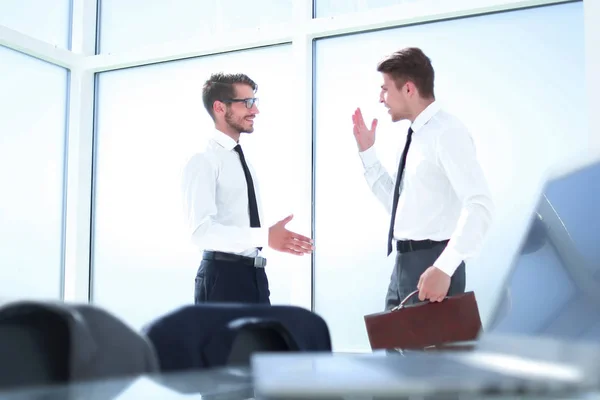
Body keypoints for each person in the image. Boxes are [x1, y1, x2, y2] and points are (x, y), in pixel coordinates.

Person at [352, 47, 494, 310]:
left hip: (433, 264)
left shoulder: (447, 133)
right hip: (403, 266)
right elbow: (399, 206)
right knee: (395, 349)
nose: (380, 98)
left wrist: (444, 267)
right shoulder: (414, 137)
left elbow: (480, 206)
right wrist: (368, 153)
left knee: (429, 352)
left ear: (408, 89)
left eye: (385, 89)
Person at [182, 72, 313, 304]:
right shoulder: (204, 160)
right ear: (220, 108)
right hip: (223, 280)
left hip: (254, 277)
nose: (255, 111)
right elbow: (200, 232)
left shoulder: (241, 160)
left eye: (255, 102)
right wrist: (264, 236)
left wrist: (265, 239)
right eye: (247, 103)